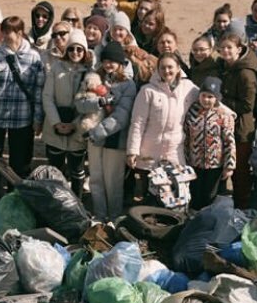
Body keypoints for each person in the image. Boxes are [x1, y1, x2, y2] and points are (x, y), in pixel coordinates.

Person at [0, 15, 45, 195]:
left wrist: (38, 119)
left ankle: (16, 198)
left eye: (10, 32)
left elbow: (38, 92)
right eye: (4, 32)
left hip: (22, 118)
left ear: (20, 33)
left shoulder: (34, 58)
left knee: (19, 162)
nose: (6, 35)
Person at [78, 41, 137, 221]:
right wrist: (98, 102)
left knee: (113, 182)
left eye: (113, 61)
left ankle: (114, 218)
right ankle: (100, 215)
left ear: (120, 62)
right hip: (94, 137)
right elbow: (80, 104)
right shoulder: (93, 79)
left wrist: (97, 132)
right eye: (106, 60)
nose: (109, 64)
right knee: (96, 179)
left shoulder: (128, 85)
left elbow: (122, 116)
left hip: (114, 138)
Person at [126, 52, 198, 192]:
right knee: (149, 195)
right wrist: (132, 151)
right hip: (149, 153)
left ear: (178, 68)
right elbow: (137, 123)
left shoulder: (188, 88)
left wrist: (229, 113)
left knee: (175, 194)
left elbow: (208, 99)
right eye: (162, 68)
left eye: (170, 67)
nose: (167, 71)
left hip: (175, 152)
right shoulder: (147, 91)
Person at [42, 29, 91, 195]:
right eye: (71, 48)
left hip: (77, 130)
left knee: (77, 171)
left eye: (79, 49)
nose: (75, 53)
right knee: (55, 171)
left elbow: (89, 104)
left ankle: (77, 205)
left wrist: (74, 124)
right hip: (55, 129)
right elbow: (47, 97)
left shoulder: (90, 73)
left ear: (85, 51)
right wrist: (56, 122)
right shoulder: (56, 68)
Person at [217, 32, 257, 207]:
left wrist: (220, 100)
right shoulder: (224, 67)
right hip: (224, 124)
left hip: (241, 128)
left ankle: (242, 205)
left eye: (229, 47)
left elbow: (247, 105)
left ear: (239, 49)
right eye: (222, 48)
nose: (225, 51)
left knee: (240, 170)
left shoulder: (245, 74)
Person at [183, 76, 236, 210]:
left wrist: (229, 165)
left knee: (211, 196)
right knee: (195, 194)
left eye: (210, 97)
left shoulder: (223, 115)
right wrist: (185, 160)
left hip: (215, 165)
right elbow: (186, 137)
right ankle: (194, 221)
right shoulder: (192, 113)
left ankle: (210, 222)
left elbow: (229, 141)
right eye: (204, 96)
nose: (206, 100)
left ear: (217, 98)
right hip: (195, 163)